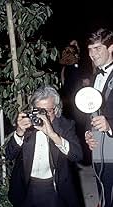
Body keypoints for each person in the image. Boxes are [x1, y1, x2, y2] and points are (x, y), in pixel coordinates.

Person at [6, 85, 83, 207]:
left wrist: (53, 135)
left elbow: (77, 156)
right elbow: (9, 155)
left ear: (56, 109)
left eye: (47, 111)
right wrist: (19, 132)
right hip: (27, 185)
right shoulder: (26, 124)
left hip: (54, 186)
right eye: (38, 110)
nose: (43, 116)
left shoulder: (66, 126)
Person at [85, 28, 113, 207]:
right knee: (103, 188)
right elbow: (91, 111)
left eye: (97, 48)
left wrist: (110, 125)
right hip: (99, 145)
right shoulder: (95, 76)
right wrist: (89, 132)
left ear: (111, 48)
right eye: (89, 49)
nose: (92, 54)